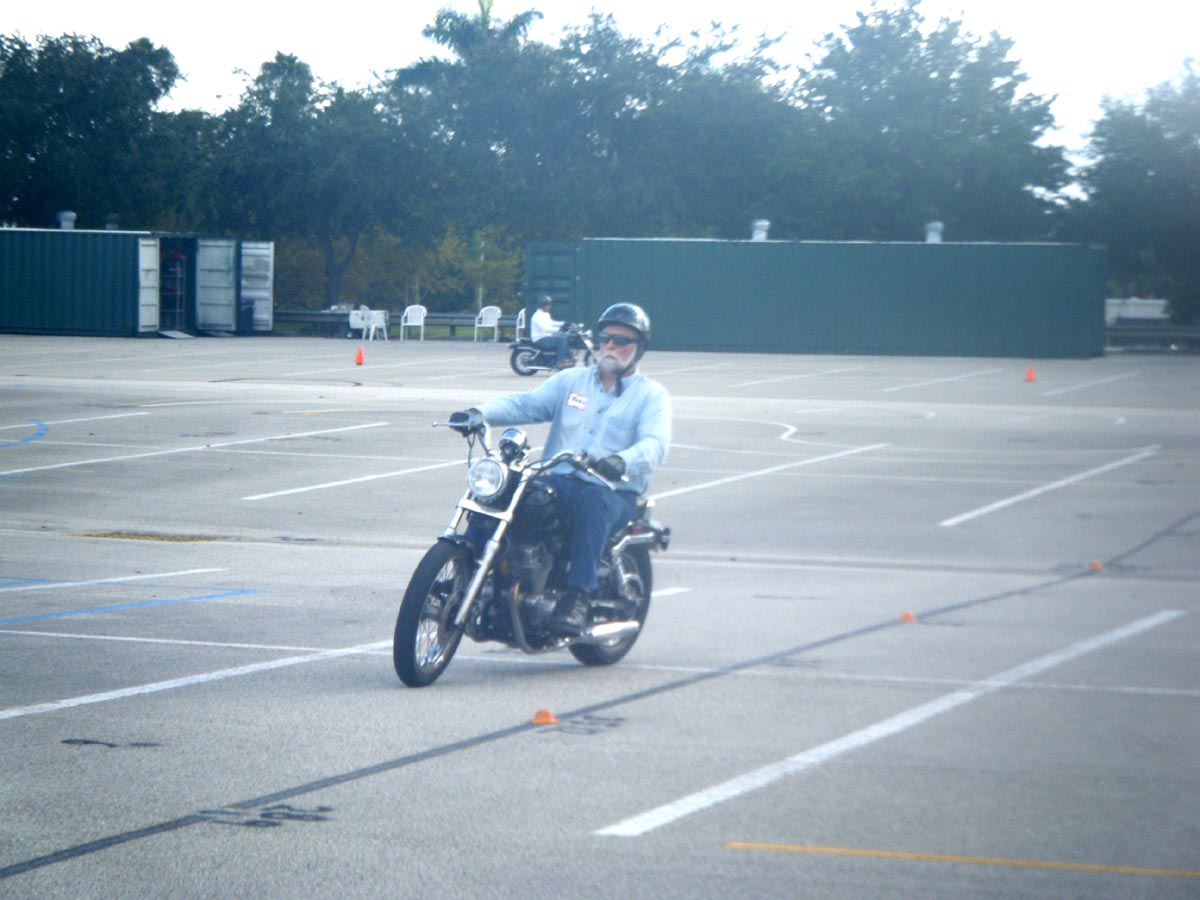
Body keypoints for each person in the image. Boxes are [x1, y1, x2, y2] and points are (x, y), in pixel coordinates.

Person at [450, 303, 671, 636]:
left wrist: (621, 461)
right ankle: (464, 569)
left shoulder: (651, 395)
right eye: (606, 337)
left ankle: (577, 595)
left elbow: (655, 444)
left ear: (639, 347)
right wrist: (479, 414)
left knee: (593, 501)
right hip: (558, 478)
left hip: (613, 490)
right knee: (504, 489)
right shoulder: (571, 381)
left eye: (622, 340)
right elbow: (526, 404)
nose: (610, 345)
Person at [529, 295, 572, 369]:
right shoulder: (537, 316)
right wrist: (558, 329)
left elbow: (551, 323)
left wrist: (563, 323)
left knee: (565, 335)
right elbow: (546, 329)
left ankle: (567, 357)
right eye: (548, 305)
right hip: (540, 339)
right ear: (543, 305)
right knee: (561, 340)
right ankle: (561, 362)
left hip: (546, 336)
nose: (550, 306)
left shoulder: (545, 314)